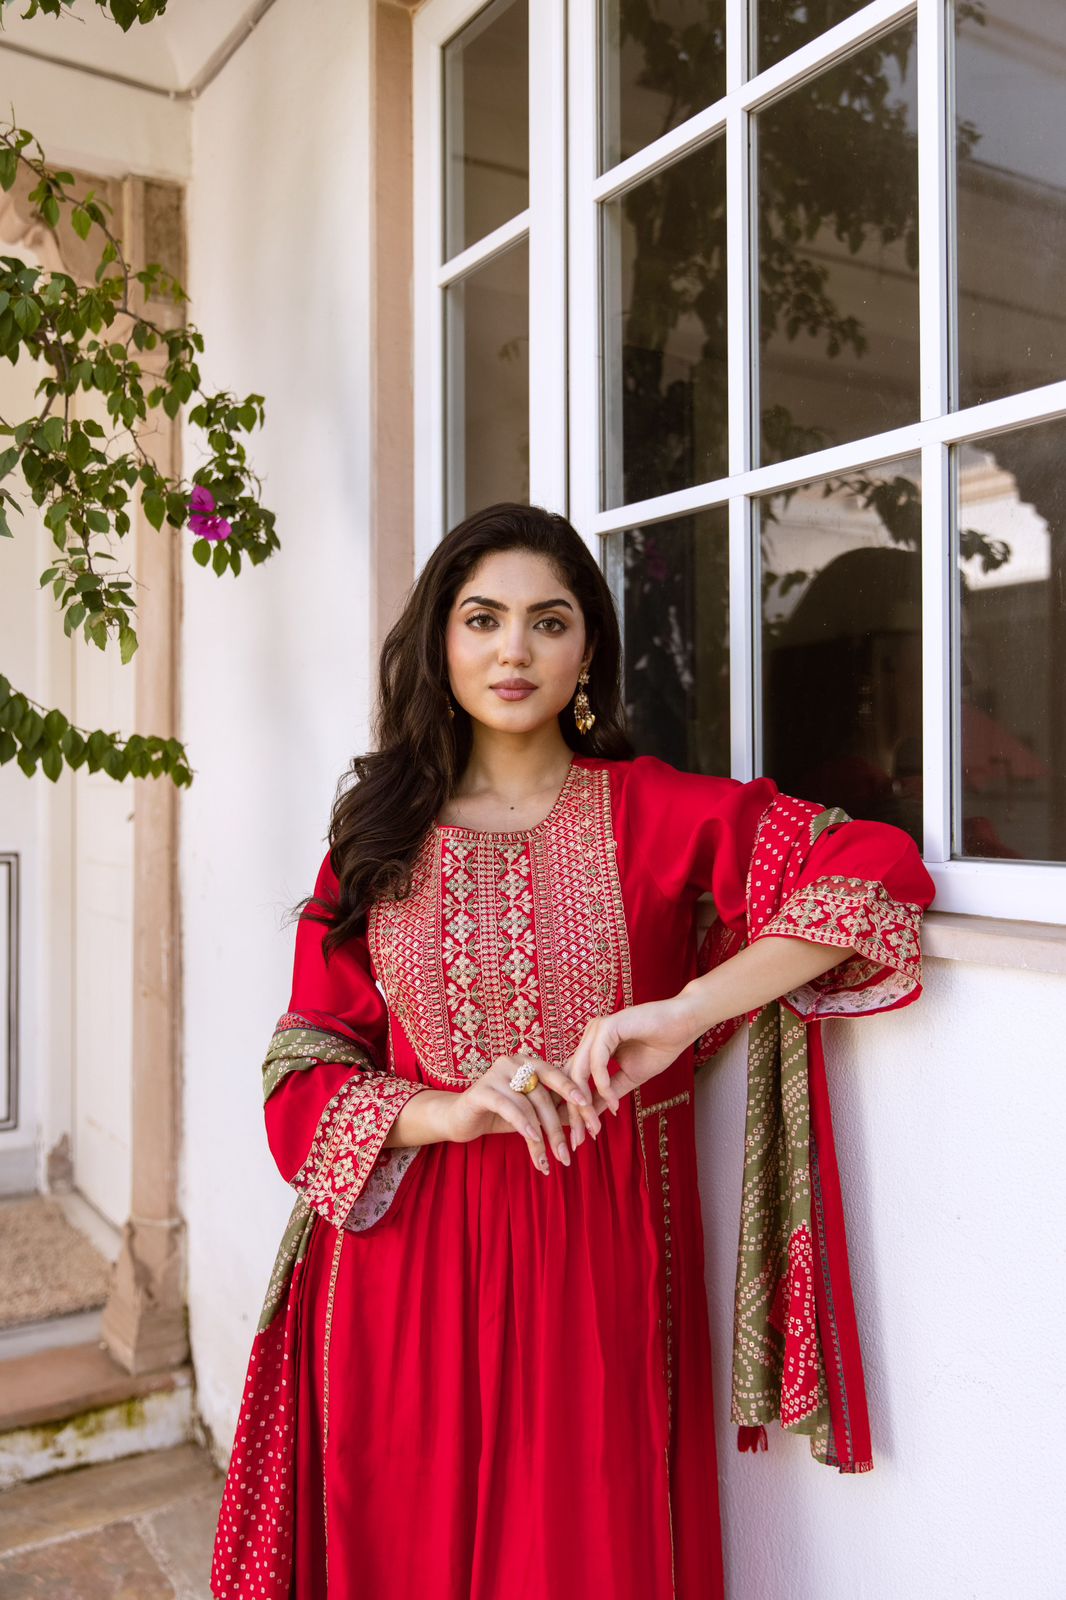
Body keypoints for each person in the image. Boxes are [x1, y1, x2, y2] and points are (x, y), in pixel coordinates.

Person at [210, 503, 934, 1600]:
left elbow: (868, 864)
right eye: (482, 618)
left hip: (594, 1262)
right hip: (400, 1271)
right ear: (438, 642)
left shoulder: (652, 809)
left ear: (587, 646)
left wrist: (686, 1008)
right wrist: (448, 1110)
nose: (513, 650)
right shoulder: (375, 836)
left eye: (548, 622)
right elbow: (304, 1064)